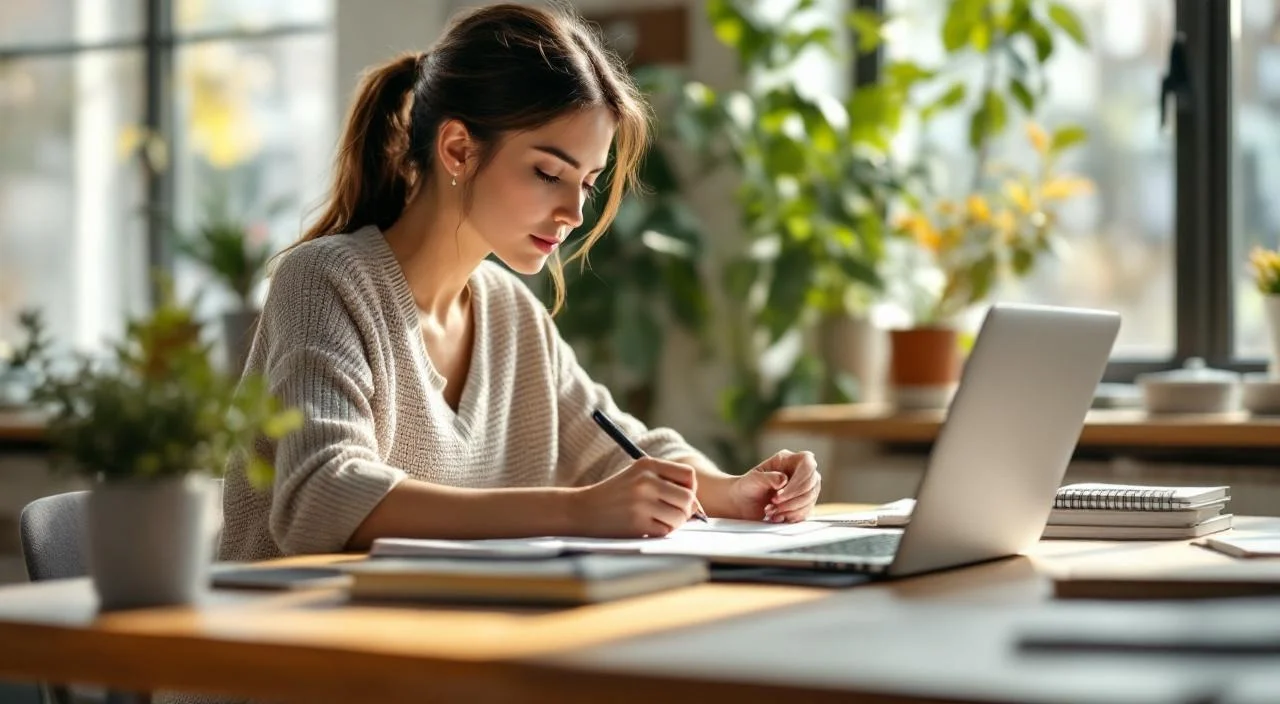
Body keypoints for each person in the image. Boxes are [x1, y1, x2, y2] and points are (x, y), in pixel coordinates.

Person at [218, 2, 821, 565]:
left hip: (422, 657)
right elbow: (322, 498)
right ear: (457, 149)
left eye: (585, 183)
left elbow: (622, 448)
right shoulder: (324, 282)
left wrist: (736, 491)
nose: (574, 213)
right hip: (285, 670)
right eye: (547, 173)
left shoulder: (510, 313)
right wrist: (577, 510)